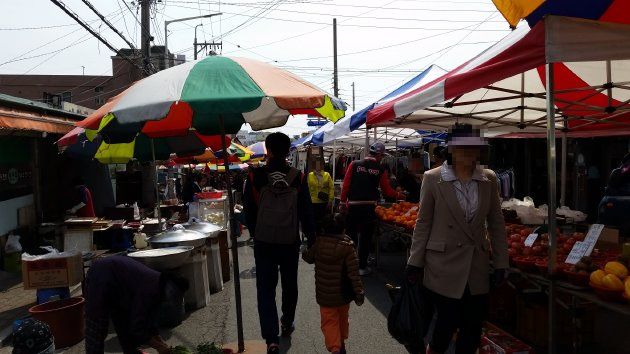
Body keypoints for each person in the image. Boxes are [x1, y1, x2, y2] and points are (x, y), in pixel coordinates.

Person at [406, 124, 508, 354]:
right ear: (451, 149)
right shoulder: (433, 178)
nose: (468, 154)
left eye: (473, 149)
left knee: (472, 329)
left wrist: (502, 262)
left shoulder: (489, 178)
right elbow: (424, 222)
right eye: (463, 148)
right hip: (442, 265)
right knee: (445, 325)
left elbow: (496, 223)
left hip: (476, 266)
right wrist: (415, 261)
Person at [243, 132, 316, 354]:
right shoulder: (297, 176)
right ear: (288, 151)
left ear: (269, 150)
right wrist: (311, 237)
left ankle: (271, 338)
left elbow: (248, 210)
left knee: (265, 289)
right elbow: (306, 210)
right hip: (289, 241)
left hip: (264, 241)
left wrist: (256, 233)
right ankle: (287, 321)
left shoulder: (256, 176)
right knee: (289, 284)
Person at [84, 256, 189, 354]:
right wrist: (158, 346)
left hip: (119, 288)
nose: (172, 299)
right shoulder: (150, 288)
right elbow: (138, 328)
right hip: (100, 278)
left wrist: (159, 340)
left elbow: (149, 321)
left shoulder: (159, 289)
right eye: (173, 294)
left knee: (123, 323)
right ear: (169, 286)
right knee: (97, 328)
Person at [302, 213, 364, 354]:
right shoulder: (348, 247)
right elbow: (354, 273)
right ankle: (341, 342)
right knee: (342, 319)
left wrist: (306, 248)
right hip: (343, 295)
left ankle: (335, 348)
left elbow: (308, 257)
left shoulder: (318, 244)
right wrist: (359, 291)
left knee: (329, 322)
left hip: (325, 296)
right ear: (344, 230)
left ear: (324, 229)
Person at [340, 142, 405, 275]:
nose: (382, 158)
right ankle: (362, 267)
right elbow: (387, 191)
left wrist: (342, 202)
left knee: (351, 236)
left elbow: (345, 185)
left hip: (353, 206)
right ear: (379, 155)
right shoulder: (380, 169)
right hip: (369, 207)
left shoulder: (354, 164)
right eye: (382, 156)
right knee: (365, 237)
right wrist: (398, 194)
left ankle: (349, 266)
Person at [307, 159, 335, 233]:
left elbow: (331, 188)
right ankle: (315, 237)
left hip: (324, 201)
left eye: (320, 164)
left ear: (322, 165)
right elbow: (307, 188)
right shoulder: (310, 175)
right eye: (316, 164)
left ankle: (322, 237)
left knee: (323, 220)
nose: (318, 166)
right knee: (314, 221)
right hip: (313, 202)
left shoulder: (327, 175)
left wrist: (330, 200)